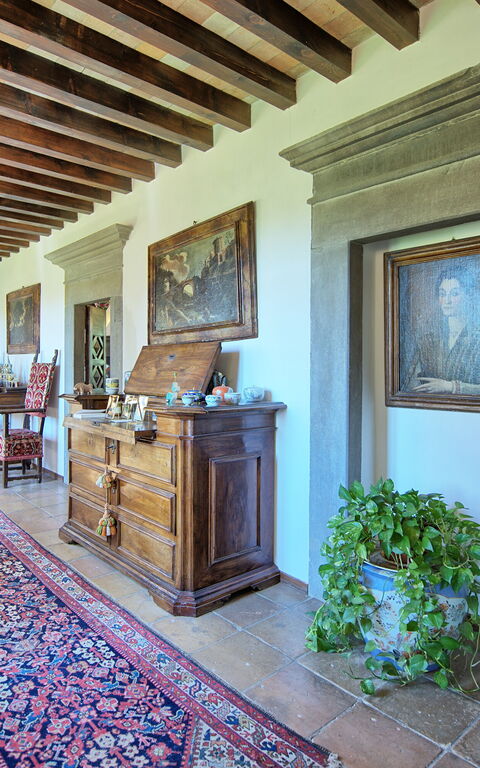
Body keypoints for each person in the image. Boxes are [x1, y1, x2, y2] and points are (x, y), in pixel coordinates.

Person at [404, 267, 480, 395]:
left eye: (454, 294)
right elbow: (412, 384)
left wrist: (450, 386)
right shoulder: (428, 339)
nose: (447, 301)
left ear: (468, 295)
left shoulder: (477, 337)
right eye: (442, 294)